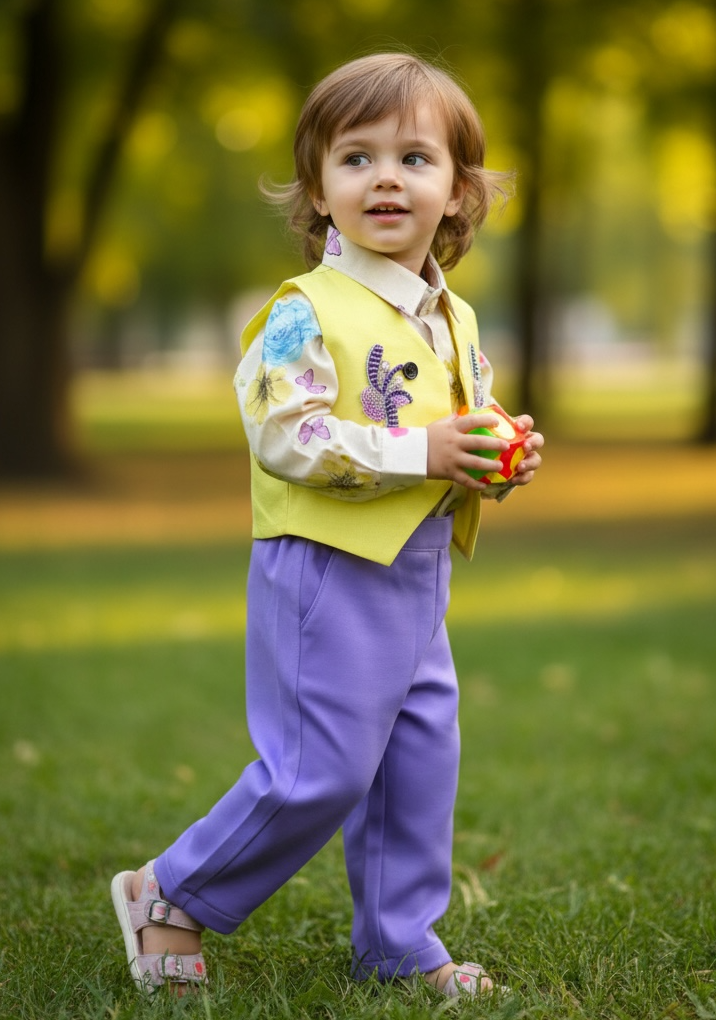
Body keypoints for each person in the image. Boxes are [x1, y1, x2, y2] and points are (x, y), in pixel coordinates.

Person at [111, 51, 544, 1000]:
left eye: (413, 158)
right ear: (317, 189)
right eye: (356, 158)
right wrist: (423, 451)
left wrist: (492, 455)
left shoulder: (454, 316)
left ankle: (397, 941)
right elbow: (286, 434)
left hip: (416, 568)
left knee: (416, 761)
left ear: (457, 190)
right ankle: (169, 891)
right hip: (323, 565)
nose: (385, 178)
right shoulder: (302, 311)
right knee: (321, 769)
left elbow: (449, 425)